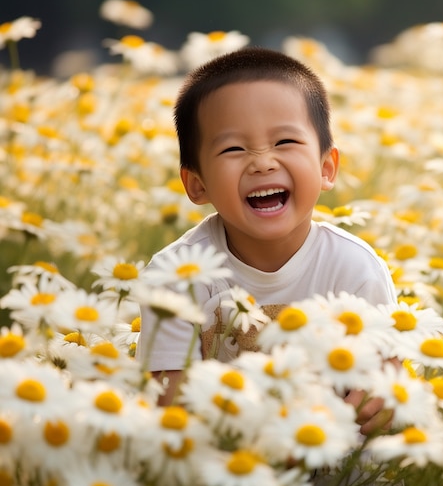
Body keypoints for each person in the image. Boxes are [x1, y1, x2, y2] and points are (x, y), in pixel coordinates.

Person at [137, 47, 397, 430]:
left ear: (327, 168)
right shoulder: (176, 276)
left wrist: (385, 394)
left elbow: (386, 376)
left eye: (285, 142)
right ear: (196, 184)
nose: (262, 161)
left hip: (337, 466)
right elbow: (168, 406)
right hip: (223, 466)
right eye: (233, 148)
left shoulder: (355, 268)